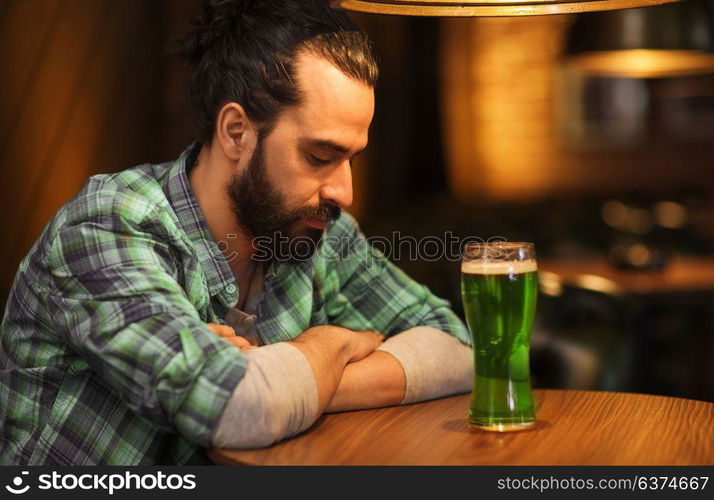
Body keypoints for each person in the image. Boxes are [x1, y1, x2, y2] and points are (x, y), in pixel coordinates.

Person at [0, 0, 472, 465]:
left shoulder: (316, 230)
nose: (344, 192)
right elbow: (237, 407)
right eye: (319, 157)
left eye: (352, 159)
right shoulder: (107, 224)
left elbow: (458, 346)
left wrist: (286, 379)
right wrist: (330, 344)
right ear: (236, 132)